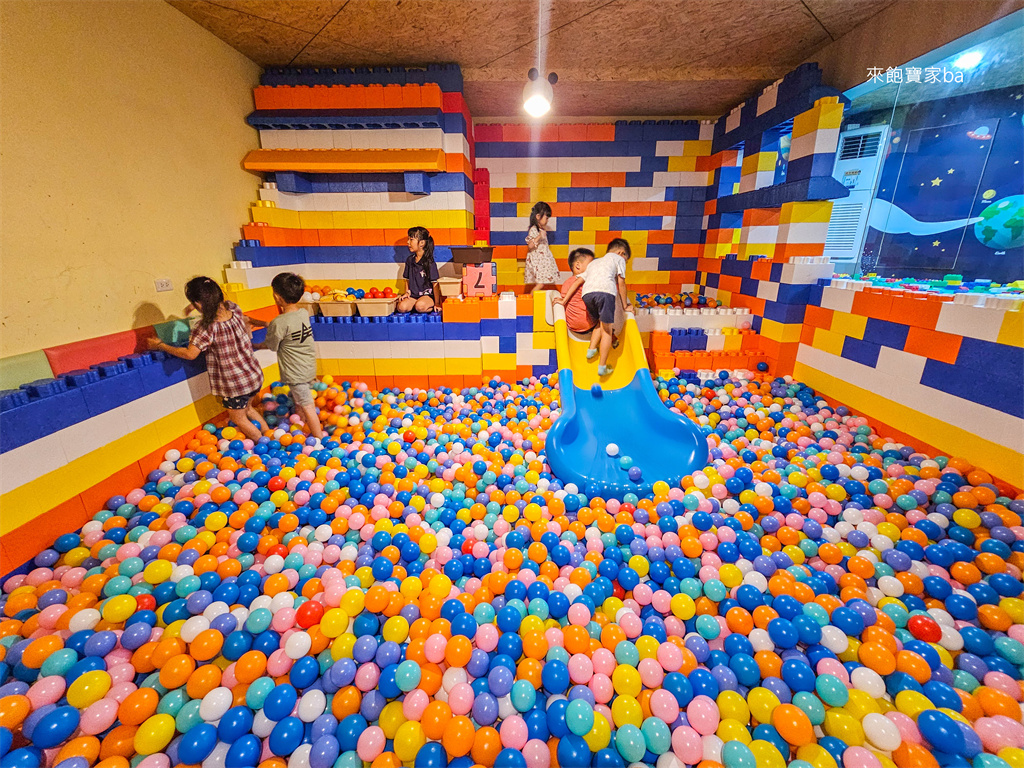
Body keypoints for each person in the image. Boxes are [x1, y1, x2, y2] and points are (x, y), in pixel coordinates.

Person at [148, 276, 269, 441]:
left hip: (235, 385)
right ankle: (269, 434)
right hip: (253, 375)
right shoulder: (234, 309)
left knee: (238, 417)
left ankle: (262, 444)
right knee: (247, 408)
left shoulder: (206, 327)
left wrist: (160, 345)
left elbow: (190, 354)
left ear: (198, 304)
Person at [251, 272, 324, 440]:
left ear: (277, 297)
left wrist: (254, 345)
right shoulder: (303, 313)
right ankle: (301, 421)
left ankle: (319, 439)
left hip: (295, 372)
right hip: (308, 366)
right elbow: (288, 328)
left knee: (308, 406)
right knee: (300, 400)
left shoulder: (279, 322)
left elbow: (271, 345)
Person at [555, 238, 633, 377]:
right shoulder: (618, 259)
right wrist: (626, 305)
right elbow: (621, 283)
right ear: (621, 253)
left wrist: (564, 300)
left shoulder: (595, 264)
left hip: (586, 299)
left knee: (600, 319)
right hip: (601, 299)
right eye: (626, 260)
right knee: (607, 329)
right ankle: (602, 366)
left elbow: (578, 281)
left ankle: (591, 349)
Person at [397, 226, 441, 313]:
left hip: (427, 296)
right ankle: (416, 305)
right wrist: (407, 292)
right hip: (413, 296)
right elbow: (407, 279)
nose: (408, 242)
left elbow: (435, 284)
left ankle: (424, 306)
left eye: (411, 239)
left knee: (420, 306)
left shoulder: (429, 262)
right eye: (408, 239)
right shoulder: (410, 260)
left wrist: (437, 303)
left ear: (422, 243)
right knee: (401, 307)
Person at [524, 201, 559, 294]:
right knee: (540, 284)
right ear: (538, 216)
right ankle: (529, 300)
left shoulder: (541, 229)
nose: (547, 220)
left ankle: (533, 300)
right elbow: (530, 245)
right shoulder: (534, 230)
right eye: (546, 218)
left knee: (542, 283)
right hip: (537, 263)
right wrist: (539, 236)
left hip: (542, 262)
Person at [560, 248, 596, 334]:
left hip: (572, 325)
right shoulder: (585, 281)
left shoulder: (566, 283)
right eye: (590, 265)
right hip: (588, 324)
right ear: (578, 265)